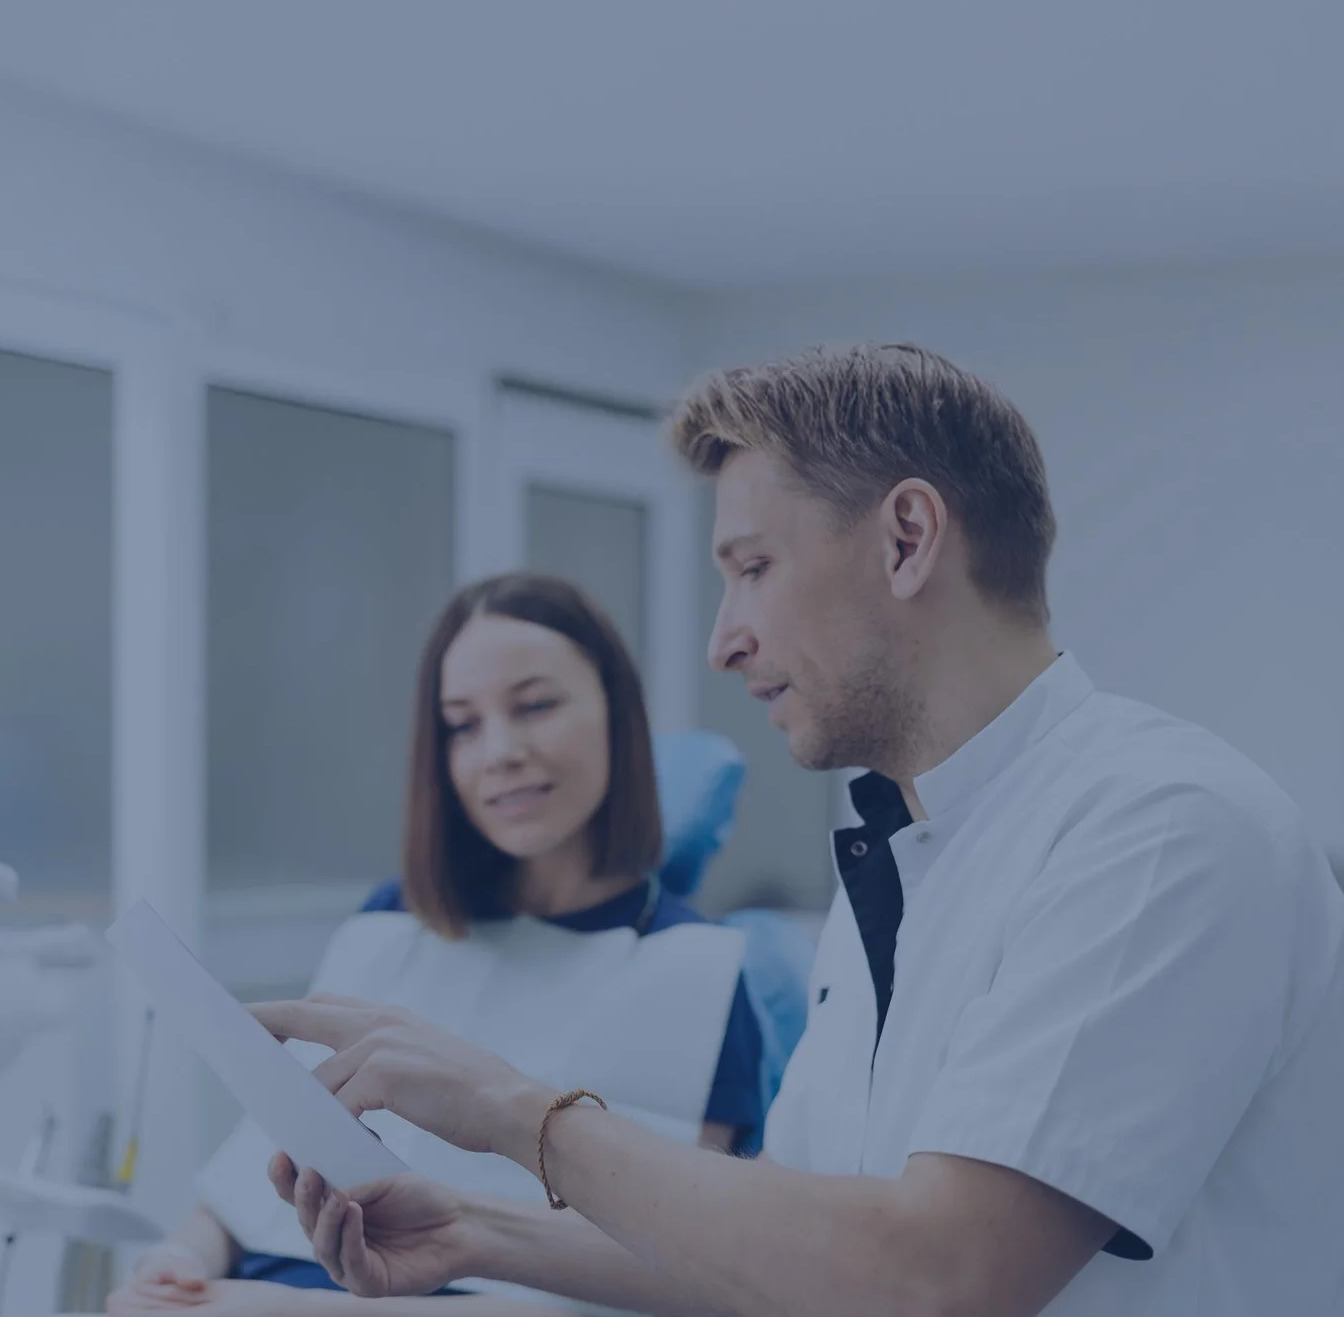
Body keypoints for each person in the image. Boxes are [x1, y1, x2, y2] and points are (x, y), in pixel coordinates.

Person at [253, 344, 1344, 1317]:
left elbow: (939, 1276)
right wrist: (481, 1229)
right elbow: (786, 1253)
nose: (723, 641)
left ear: (907, 538)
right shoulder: (904, 859)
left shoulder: (1161, 828)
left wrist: (512, 1111)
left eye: (750, 569)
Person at [110, 573, 767, 1315]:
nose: (500, 751)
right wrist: (178, 1262)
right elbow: (247, 1179)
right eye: (462, 724)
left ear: (618, 713)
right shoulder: (391, 922)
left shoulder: (697, 971)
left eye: (536, 705)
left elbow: (689, 1273)